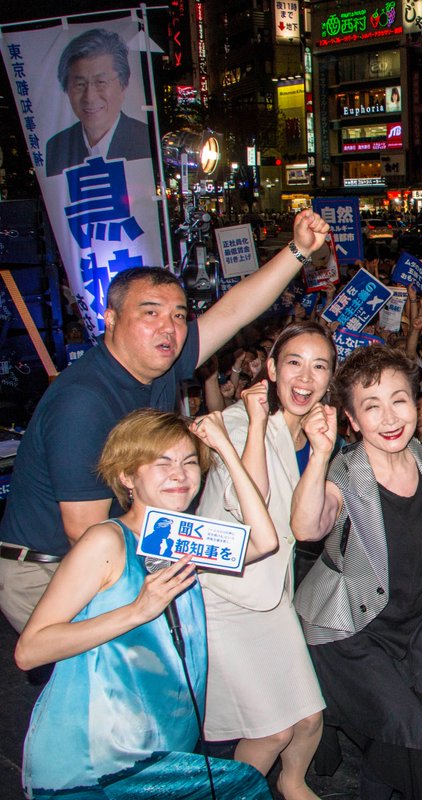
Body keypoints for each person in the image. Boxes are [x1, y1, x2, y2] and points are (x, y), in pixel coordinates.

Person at [0, 210, 329, 634]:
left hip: (124, 544)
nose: (169, 328)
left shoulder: (162, 365)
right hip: (50, 570)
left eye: (178, 315)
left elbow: (233, 312)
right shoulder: (83, 402)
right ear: (111, 319)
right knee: (107, 691)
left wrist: (299, 250)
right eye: (150, 313)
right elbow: (85, 533)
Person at [15, 409, 279, 798]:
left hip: (163, 745)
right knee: (247, 788)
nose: (180, 473)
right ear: (127, 476)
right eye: (163, 462)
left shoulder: (177, 539)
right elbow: (30, 650)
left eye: (190, 462)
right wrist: (137, 610)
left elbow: (263, 542)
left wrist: (223, 447)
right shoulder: (106, 541)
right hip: (97, 759)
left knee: (246, 786)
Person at [292, 346, 422, 800]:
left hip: (417, 616)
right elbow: (307, 527)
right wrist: (319, 454)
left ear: (416, 404)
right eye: (371, 406)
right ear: (352, 419)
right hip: (351, 627)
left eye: (399, 400)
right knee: (403, 725)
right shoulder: (344, 474)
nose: (389, 418)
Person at [194, 322, 333, 799]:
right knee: (271, 731)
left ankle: (292, 786)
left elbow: (303, 528)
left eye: (320, 366)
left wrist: (320, 454)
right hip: (224, 596)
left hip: (273, 598)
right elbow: (246, 505)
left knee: (309, 719)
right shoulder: (237, 422)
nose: (306, 376)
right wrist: (255, 424)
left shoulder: (314, 437)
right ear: (272, 369)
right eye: (294, 362)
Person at [45, 28, 152, 177]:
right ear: (66, 89)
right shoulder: (56, 147)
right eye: (79, 85)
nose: (89, 97)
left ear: (123, 84)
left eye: (100, 82)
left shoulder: (146, 140)